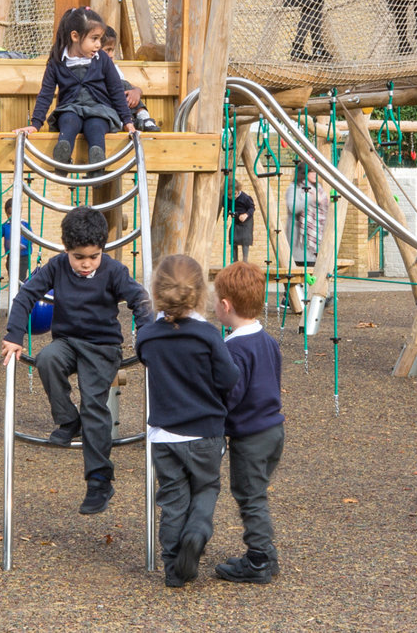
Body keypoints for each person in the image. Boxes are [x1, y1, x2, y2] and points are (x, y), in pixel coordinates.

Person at [0, 206, 156, 515]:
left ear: (102, 250)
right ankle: (69, 421)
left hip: (102, 346)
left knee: (94, 402)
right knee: (46, 358)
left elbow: (140, 299)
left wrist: (146, 335)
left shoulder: (114, 270)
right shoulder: (56, 266)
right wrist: (15, 335)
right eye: (78, 257)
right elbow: (25, 297)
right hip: (68, 342)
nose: (86, 264)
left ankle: (99, 479)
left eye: (92, 257)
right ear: (66, 249)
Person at [135, 254, 239, 587]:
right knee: (207, 487)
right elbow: (229, 377)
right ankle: (197, 532)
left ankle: (173, 568)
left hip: (164, 435)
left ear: (156, 292)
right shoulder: (207, 335)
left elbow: (145, 358)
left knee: (173, 499)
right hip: (205, 431)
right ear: (199, 294)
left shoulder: (148, 336)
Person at [212, 260, 284, 584]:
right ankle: (266, 554)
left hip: (250, 436)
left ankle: (257, 559)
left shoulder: (232, 348)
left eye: (216, 301)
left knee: (250, 495)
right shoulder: (268, 340)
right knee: (257, 491)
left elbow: (233, 392)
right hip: (273, 429)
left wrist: (214, 414)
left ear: (225, 306)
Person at [16, 6, 135, 165]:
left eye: (100, 39)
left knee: (96, 126)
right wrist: (35, 124)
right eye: (94, 39)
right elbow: (46, 94)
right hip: (70, 108)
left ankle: (97, 160)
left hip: (99, 109)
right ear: (75, 36)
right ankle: (63, 155)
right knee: (68, 121)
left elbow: (116, 90)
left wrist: (128, 122)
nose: (99, 44)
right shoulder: (57, 62)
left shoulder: (102, 60)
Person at [101, 26, 162, 132]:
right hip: (105, 107)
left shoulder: (113, 68)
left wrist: (137, 91)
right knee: (120, 85)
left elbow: (124, 85)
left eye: (112, 50)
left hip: (120, 106)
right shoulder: (92, 68)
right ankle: (126, 122)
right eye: (107, 50)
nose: (111, 55)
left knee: (124, 86)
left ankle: (143, 117)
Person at [286, 171, 327, 268]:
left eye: (316, 172)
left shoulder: (318, 188)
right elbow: (292, 207)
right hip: (299, 237)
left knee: (313, 270)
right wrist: (310, 199)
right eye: (312, 172)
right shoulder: (294, 187)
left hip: (315, 238)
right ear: (304, 173)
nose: (315, 175)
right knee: (299, 269)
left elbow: (324, 211)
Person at [0, 197, 34, 282]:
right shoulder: (6, 225)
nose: (12, 216)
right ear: (6, 213)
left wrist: (22, 245)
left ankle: (19, 293)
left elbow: (30, 239)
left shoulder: (25, 224)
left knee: (20, 278)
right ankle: (14, 293)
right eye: (9, 213)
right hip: (11, 256)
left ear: (20, 211)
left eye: (15, 212)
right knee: (12, 278)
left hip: (23, 257)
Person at [228, 182, 256, 263]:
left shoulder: (245, 198)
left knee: (245, 241)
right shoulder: (227, 199)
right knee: (233, 239)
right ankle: (235, 260)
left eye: (234, 194)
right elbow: (226, 207)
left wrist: (246, 215)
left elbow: (252, 208)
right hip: (236, 220)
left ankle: (245, 261)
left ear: (238, 190)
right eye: (229, 195)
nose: (232, 197)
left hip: (246, 222)